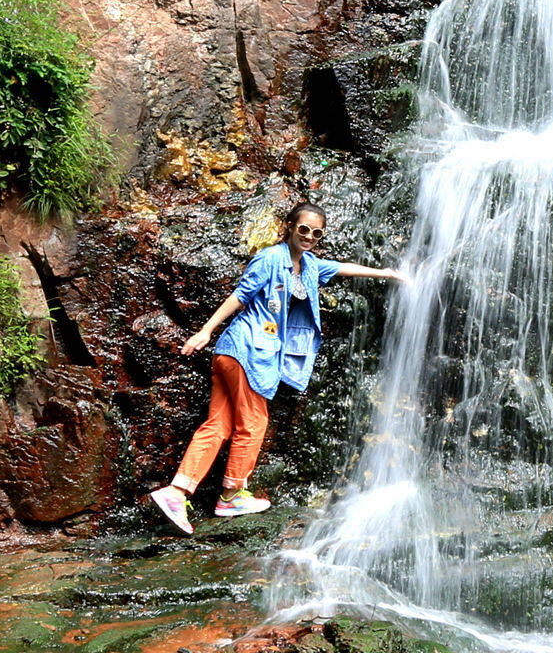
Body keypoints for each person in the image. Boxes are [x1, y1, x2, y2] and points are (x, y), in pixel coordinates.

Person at [148, 202, 404, 534]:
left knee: (218, 425)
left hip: (238, 355)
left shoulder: (309, 266)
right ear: (289, 227)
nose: (309, 236)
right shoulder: (270, 258)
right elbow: (239, 296)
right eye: (303, 229)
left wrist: (386, 273)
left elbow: (342, 268)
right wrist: (205, 331)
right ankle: (231, 495)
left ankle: (177, 491)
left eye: (316, 232)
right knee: (254, 422)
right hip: (246, 351)